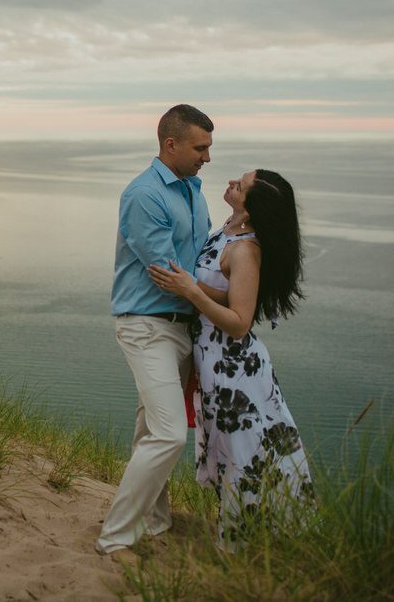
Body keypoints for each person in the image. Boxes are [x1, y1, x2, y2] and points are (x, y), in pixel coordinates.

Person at [150, 169, 314, 550]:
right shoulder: (230, 228)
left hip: (234, 367)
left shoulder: (246, 250)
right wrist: (191, 285)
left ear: (252, 205)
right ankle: (252, 537)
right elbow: (226, 295)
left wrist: (191, 291)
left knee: (245, 454)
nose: (230, 184)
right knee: (230, 451)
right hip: (214, 361)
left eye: (239, 186)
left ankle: (242, 546)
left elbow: (240, 322)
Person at [96, 104, 214, 561]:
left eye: (208, 147)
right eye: (199, 148)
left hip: (181, 327)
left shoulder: (192, 190)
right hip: (147, 327)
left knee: (151, 429)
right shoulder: (145, 194)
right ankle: (115, 538)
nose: (206, 157)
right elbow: (170, 274)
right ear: (170, 144)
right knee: (169, 434)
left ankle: (156, 518)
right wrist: (226, 304)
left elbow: (196, 265)